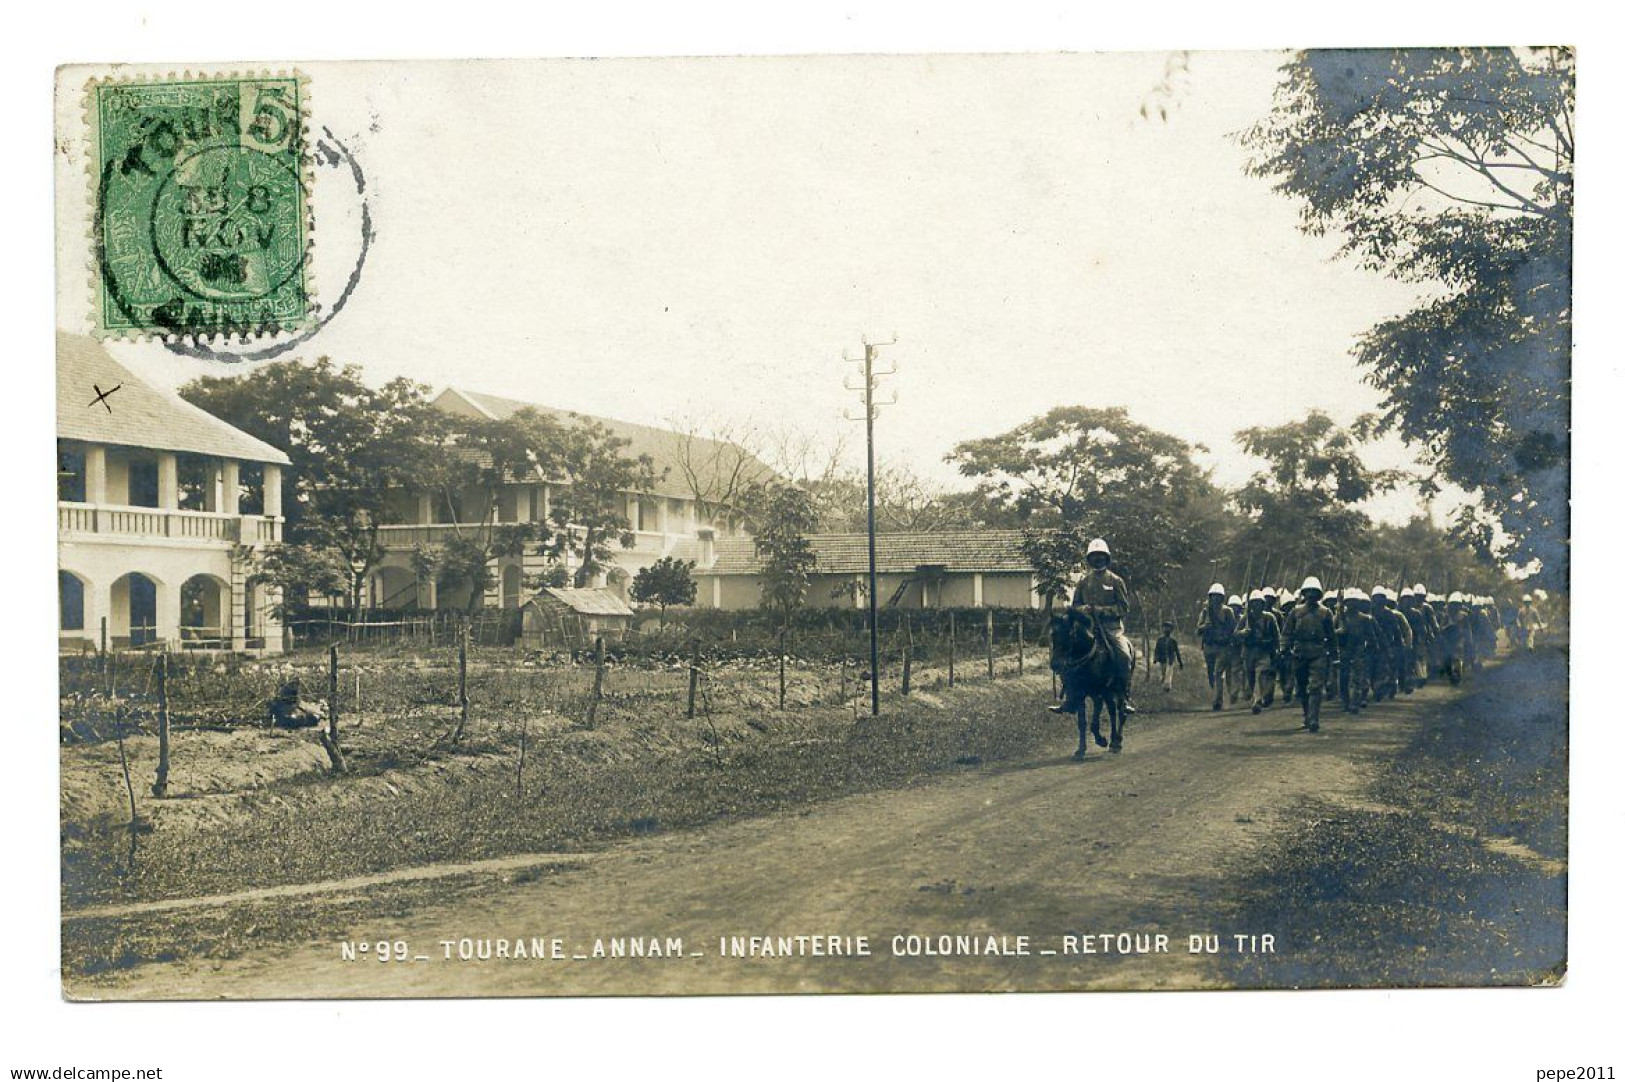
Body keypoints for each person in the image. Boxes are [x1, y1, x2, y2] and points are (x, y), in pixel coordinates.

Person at [1068, 537, 1137, 713]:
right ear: (1089, 559)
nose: (1097, 559)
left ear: (1107, 558)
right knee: (1068, 652)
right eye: (1094, 556)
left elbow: (1123, 607)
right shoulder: (1083, 582)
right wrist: (1082, 609)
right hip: (1088, 628)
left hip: (1111, 628)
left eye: (1101, 556)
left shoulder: (1116, 581)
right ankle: (1070, 697)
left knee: (1124, 656)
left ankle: (1124, 696)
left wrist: (1102, 610)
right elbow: (1075, 605)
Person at [1282, 576, 1336, 732]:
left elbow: (1331, 636)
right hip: (1299, 653)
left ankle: (1313, 719)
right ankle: (1307, 714)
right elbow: (1287, 633)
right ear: (1304, 594)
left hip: (1318, 652)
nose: (1311, 595)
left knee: (1315, 687)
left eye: (1314, 592)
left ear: (1319, 594)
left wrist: (1334, 654)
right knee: (1302, 687)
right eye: (1308, 592)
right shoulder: (1296, 612)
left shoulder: (1326, 613)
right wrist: (1284, 648)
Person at [1238, 589, 1281, 714]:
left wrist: (1277, 649)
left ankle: (1257, 700)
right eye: (1254, 603)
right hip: (1249, 652)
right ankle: (1257, 696)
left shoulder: (1270, 618)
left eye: (1259, 603)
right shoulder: (1246, 618)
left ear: (1263, 604)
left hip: (1264, 651)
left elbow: (1276, 635)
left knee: (1261, 674)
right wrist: (1243, 633)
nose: (1256, 606)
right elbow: (1235, 634)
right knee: (1251, 678)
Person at [1196, 583, 1237, 712]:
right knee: (1211, 674)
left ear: (1222, 597)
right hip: (1209, 646)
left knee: (1217, 673)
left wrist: (1226, 638)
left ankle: (1217, 701)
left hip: (1222, 647)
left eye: (1218, 596)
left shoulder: (1227, 611)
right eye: (1213, 596)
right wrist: (1205, 627)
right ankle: (1217, 695)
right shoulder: (1205, 611)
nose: (1215, 599)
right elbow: (1198, 629)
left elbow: (1233, 629)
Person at [1335, 588, 1375, 713]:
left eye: (1354, 601)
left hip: (1359, 650)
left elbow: (1371, 636)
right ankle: (1346, 701)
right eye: (1349, 601)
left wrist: (1370, 648)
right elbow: (1331, 633)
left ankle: (1354, 703)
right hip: (1344, 650)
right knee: (1344, 678)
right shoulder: (1339, 617)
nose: (1352, 604)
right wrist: (1339, 632)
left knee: (1357, 678)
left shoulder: (1365, 619)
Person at [1153, 620, 1183, 691]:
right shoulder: (1160, 640)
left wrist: (1180, 662)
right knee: (1163, 673)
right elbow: (1156, 650)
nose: (1167, 630)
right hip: (1162, 660)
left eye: (1169, 628)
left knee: (1168, 674)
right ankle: (1163, 685)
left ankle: (1167, 688)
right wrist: (1155, 658)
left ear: (1171, 630)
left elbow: (1177, 652)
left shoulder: (1173, 641)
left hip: (1170, 660)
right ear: (1163, 629)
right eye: (1165, 628)